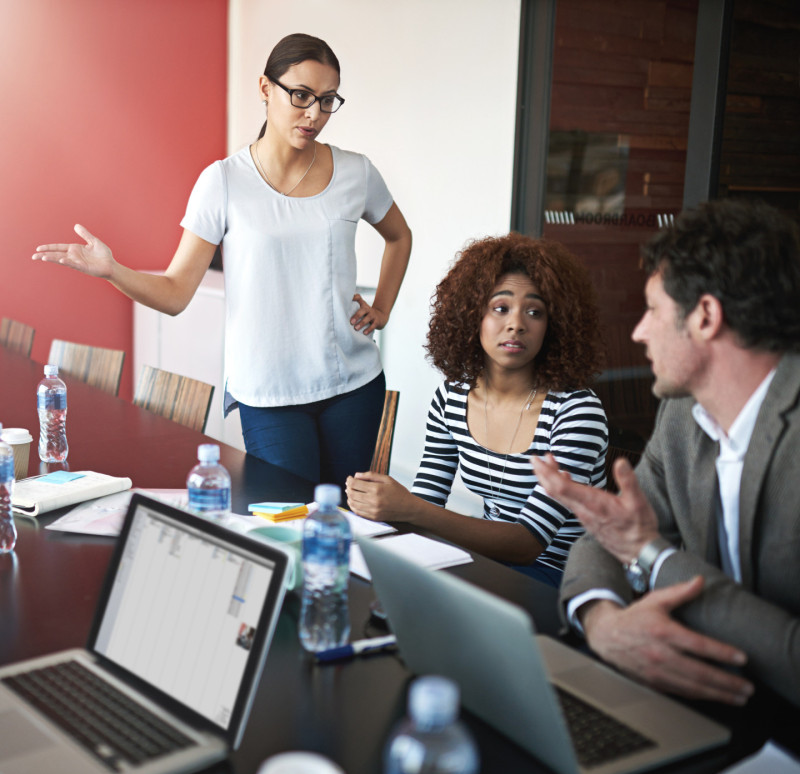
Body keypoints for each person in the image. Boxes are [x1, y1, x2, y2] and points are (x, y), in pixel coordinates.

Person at [32, 33, 412, 489]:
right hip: (268, 394)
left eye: (327, 101)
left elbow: (399, 236)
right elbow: (175, 294)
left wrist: (384, 306)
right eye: (301, 96)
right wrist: (112, 270)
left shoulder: (356, 172)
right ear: (265, 89)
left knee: (347, 527)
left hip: (353, 387)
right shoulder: (224, 181)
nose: (314, 114)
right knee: (285, 528)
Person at [533, 199, 800, 707]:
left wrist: (651, 555)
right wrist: (603, 620)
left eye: (653, 310)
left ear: (704, 317)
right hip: (697, 701)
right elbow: (607, 537)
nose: (638, 332)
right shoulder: (684, 414)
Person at [346, 233, 607, 586]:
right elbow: (427, 498)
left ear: (554, 325)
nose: (516, 324)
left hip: (569, 582)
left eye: (535, 311)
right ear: (472, 315)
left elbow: (528, 544)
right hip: (492, 567)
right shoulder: (452, 397)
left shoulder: (577, 412)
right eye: (500, 308)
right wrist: (381, 507)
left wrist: (410, 508)